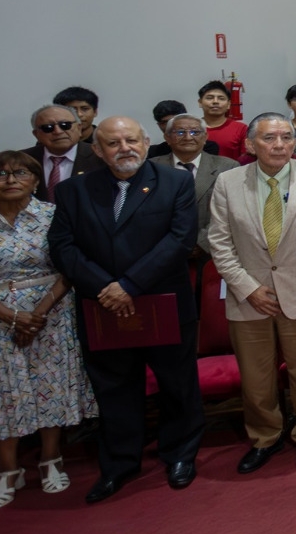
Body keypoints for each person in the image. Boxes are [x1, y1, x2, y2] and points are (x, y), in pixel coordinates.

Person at [48, 117, 201, 503]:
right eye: (112, 143)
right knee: (114, 388)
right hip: (103, 307)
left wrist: (129, 285)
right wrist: (105, 287)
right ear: (96, 150)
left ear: (146, 142)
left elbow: (180, 241)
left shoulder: (176, 182)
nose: (124, 148)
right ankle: (119, 464)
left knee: (176, 384)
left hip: (161, 302)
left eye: (131, 140)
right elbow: (63, 248)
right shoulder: (73, 191)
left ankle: (180, 454)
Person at [205, 115, 296, 474]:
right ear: (251, 144)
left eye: (287, 137)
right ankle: (265, 436)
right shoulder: (228, 182)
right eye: (269, 138)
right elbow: (219, 242)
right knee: (256, 375)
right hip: (248, 294)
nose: (280, 144)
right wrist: (247, 288)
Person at [0, 151, 96, 509]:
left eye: (20, 172)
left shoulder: (54, 218)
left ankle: (50, 460)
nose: (10, 179)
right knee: (1, 392)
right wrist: (11, 316)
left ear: (36, 180)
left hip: (50, 314)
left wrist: (36, 314)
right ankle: (8, 470)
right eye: (0, 174)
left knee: (48, 386)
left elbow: (69, 267)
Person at [151, 113, 238, 259]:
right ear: (167, 138)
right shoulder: (152, 168)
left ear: (205, 137)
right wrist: (173, 245)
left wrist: (200, 243)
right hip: (162, 253)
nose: (188, 137)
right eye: (180, 132)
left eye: (195, 132)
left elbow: (232, 211)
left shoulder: (228, 167)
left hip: (213, 253)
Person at [24, 105, 104, 203]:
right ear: (36, 134)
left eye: (65, 125)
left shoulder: (101, 157)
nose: (58, 131)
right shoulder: (23, 159)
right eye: (48, 128)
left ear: (79, 129)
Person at [196, 81, 248, 164]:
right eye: (209, 98)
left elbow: (246, 160)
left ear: (228, 104)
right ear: (200, 102)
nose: (215, 101)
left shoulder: (241, 129)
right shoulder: (192, 129)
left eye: (221, 98)